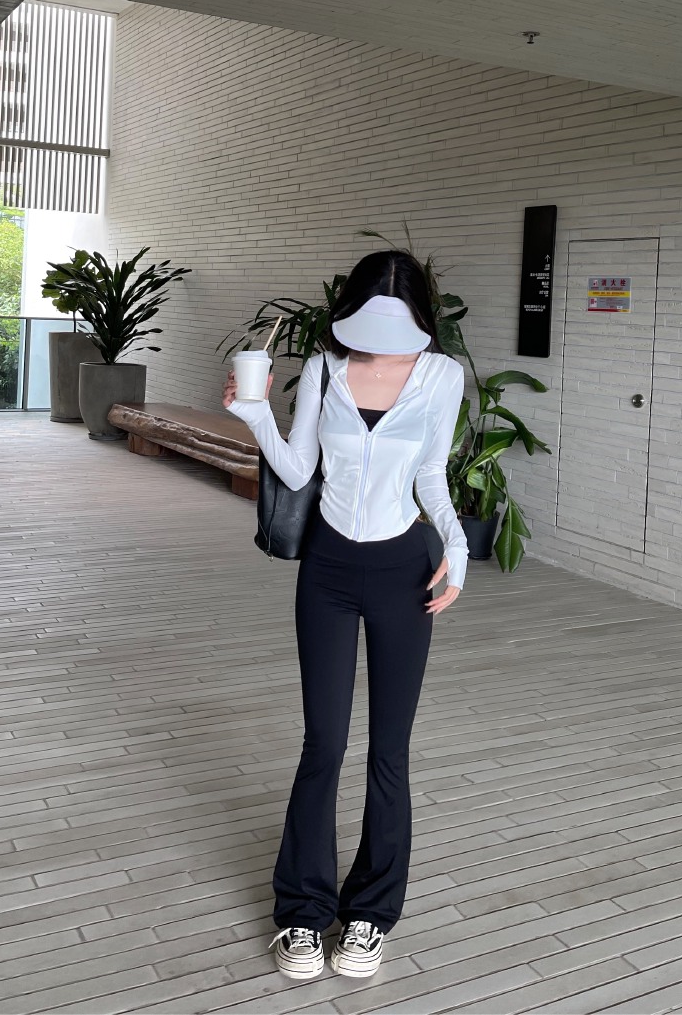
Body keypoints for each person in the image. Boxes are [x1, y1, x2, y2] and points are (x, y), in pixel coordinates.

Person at [224, 250, 468, 981]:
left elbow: (432, 474)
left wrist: (456, 548)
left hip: (403, 571)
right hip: (327, 570)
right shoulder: (326, 368)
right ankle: (302, 914)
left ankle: (369, 914)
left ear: (419, 319)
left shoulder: (442, 376)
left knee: (389, 750)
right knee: (323, 743)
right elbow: (299, 469)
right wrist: (254, 414)